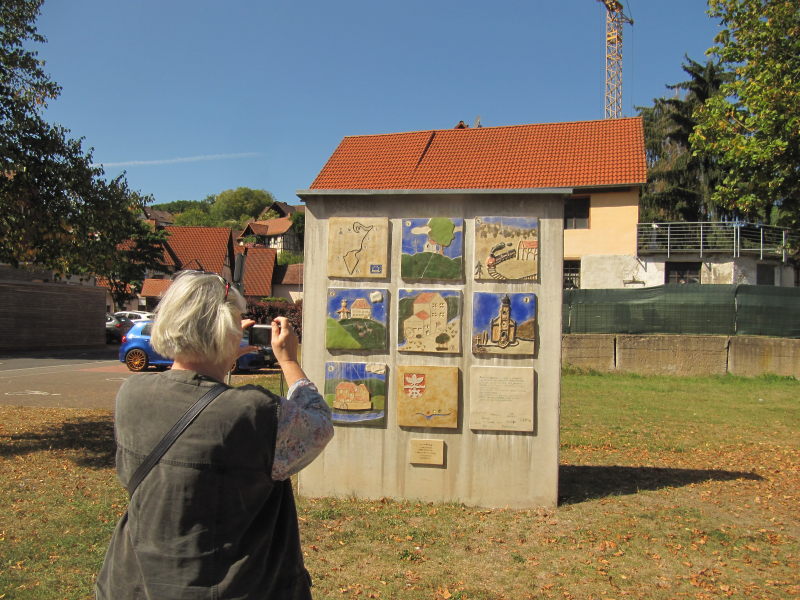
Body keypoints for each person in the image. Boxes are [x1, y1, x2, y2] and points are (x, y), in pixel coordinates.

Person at [96, 270, 333, 599]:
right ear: (228, 330)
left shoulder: (131, 395)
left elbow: (194, 400)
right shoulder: (254, 411)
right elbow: (319, 424)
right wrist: (289, 360)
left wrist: (219, 359)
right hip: (236, 587)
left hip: (138, 583)